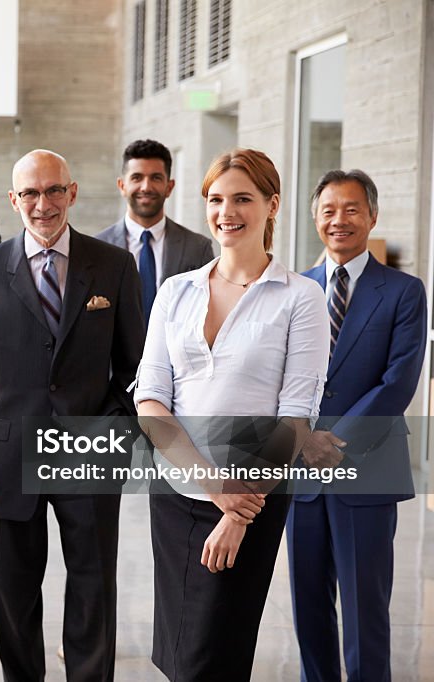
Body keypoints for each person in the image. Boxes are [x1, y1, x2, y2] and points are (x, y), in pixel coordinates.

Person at [133, 148, 328, 681]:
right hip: (177, 491)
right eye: (216, 199)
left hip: (252, 492)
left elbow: (294, 416)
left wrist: (235, 512)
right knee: (176, 653)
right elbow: (149, 395)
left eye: (242, 198)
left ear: (272, 205)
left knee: (214, 652)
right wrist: (206, 482)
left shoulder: (300, 297)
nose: (227, 211)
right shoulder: (176, 291)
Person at [0, 149, 144, 681]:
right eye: (32, 194)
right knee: (12, 590)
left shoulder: (112, 265)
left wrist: (114, 435)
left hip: (90, 448)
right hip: (8, 453)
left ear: (74, 192)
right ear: (14, 200)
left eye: (55, 190)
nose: (44, 204)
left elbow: (136, 366)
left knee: (93, 583)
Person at [287, 169, 427, 682]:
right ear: (315, 218)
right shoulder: (296, 288)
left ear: (372, 215)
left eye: (351, 209)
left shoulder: (404, 291)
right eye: (328, 210)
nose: (339, 220)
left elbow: (398, 382)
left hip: (367, 467)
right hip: (299, 470)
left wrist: (334, 440)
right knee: (308, 606)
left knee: (366, 608)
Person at [96, 139, 214, 327]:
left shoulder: (197, 248)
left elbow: (207, 315)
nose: (146, 187)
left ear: (169, 187)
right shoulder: (97, 248)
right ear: (122, 186)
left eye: (156, 178)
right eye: (137, 178)